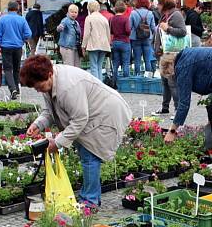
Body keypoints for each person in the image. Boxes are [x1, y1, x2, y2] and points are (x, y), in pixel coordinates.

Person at [23, 55, 131, 210]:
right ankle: (91, 197)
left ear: (49, 75)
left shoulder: (68, 87)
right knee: (86, 154)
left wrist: (58, 143)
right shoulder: (50, 83)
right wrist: (37, 124)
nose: (37, 90)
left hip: (105, 114)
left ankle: (89, 202)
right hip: (90, 116)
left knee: (90, 156)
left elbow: (79, 119)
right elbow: (49, 111)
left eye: (38, 86)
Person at [153, 0, 186, 114]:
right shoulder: (165, 15)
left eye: (159, 4)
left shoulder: (176, 15)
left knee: (172, 82)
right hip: (163, 53)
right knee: (165, 82)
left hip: (171, 53)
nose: (157, 6)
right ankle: (165, 107)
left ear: (164, 5)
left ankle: (178, 109)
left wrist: (168, 29)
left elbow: (183, 32)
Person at [0, 0, 32, 99]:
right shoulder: (21, 19)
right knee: (16, 69)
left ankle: (13, 89)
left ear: (8, 8)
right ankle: (17, 88)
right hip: (17, 46)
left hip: (6, 47)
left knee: (7, 69)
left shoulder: (2, 19)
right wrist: (22, 39)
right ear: (18, 8)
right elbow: (28, 34)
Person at [81, 0, 110, 82]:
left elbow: (86, 34)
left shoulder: (89, 18)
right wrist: (108, 44)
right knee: (99, 66)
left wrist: (83, 46)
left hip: (93, 45)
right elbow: (108, 34)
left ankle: (96, 85)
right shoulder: (104, 19)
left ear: (89, 8)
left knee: (93, 66)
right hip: (104, 45)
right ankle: (100, 85)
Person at [130, 0, 156, 77]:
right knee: (147, 60)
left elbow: (129, 27)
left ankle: (137, 76)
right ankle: (148, 77)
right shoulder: (150, 13)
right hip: (147, 38)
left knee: (137, 60)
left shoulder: (133, 13)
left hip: (135, 38)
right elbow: (153, 27)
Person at [109, 0, 131, 78]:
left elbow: (111, 31)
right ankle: (125, 82)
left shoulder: (111, 19)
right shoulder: (125, 19)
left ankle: (115, 81)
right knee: (125, 63)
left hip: (115, 42)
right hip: (125, 42)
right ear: (124, 8)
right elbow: (128, 31)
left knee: (115, 63)